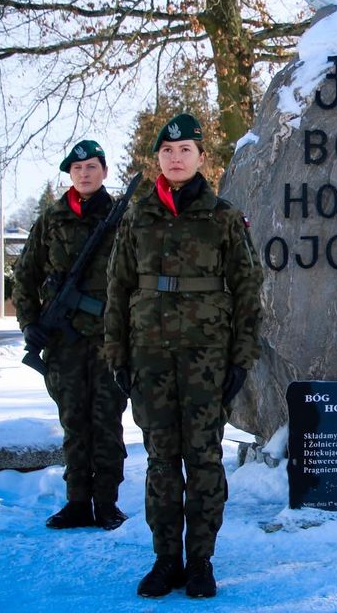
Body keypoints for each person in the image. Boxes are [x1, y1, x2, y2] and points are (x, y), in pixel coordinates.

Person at [103, 114, 263, 599]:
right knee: (160, 461)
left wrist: (241, 359)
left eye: (186, 151)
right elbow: (118, 286)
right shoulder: (136, 216)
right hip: (149, 356)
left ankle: (201, 561)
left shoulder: (223, 218)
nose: (176, 158)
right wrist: (117, 353)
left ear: (200, 158)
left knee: (204, 460)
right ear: (159, 158)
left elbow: (248, 290)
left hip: (206, 358)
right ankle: (165, 558)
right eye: (168, 152)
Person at [13, 139, 129, 531]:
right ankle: (77, 502)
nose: (84, 173)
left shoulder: (120, 217)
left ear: (104, 172)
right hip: (63, 344)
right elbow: (25, 274)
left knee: (107, 422)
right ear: (70, 174)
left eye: (92, 167)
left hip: (107, 340)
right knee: (74, 424)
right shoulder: (51, 218)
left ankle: (107, 503)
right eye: (78, 169)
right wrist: (29, 322)